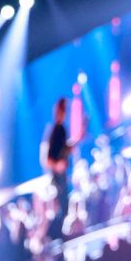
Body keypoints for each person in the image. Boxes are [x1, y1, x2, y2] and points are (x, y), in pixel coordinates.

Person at [40, 97, 85, 238]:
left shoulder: (61, 130)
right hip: (56, 180)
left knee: (68, 206)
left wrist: (78, 137)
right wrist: (57, 165)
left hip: (63, 179)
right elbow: (46, 159)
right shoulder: (54, 130)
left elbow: (66, 149)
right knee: (61, 210)